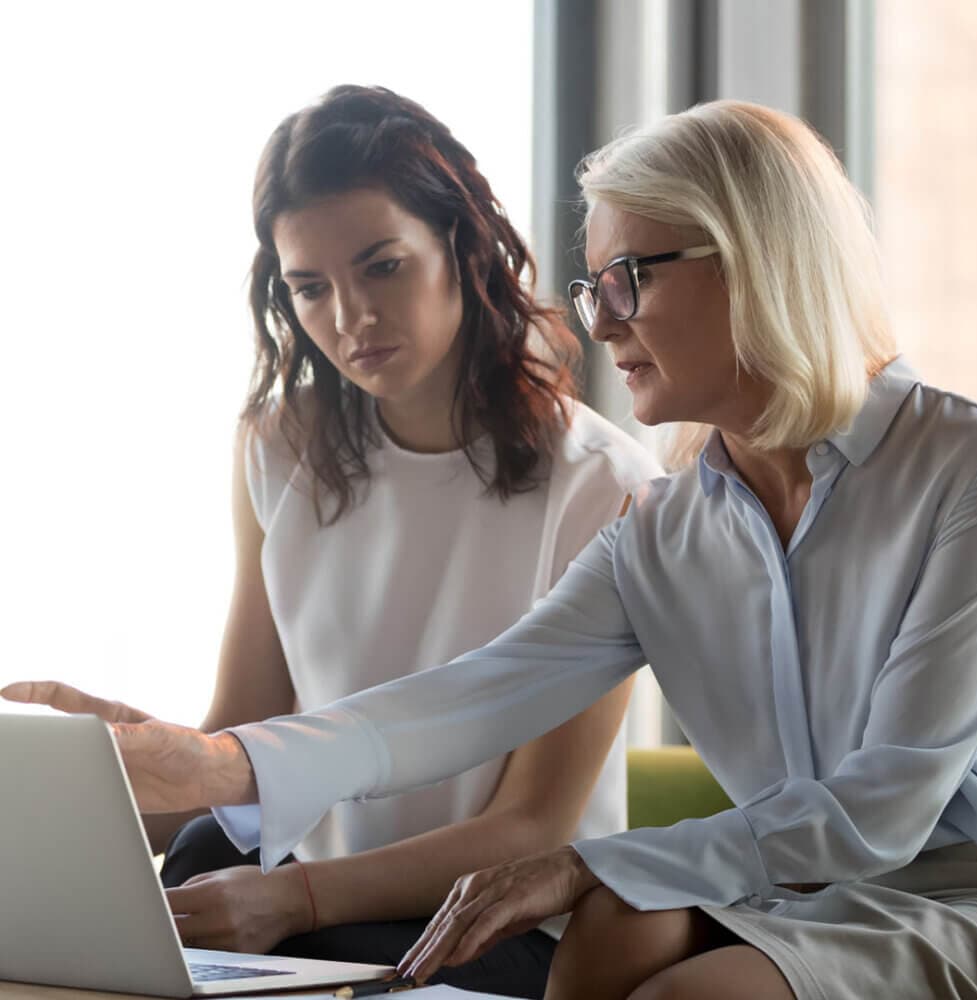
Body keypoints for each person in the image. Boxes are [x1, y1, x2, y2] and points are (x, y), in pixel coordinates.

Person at [11, 97, 977, 1000]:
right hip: (784, 882)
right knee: (616, 927)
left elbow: (883, 809)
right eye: (591, 284)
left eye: (627, 280)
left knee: (657, 963)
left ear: (757, 258)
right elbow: (463, 699)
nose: (600, 318)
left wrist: (581, 861)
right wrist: (208, 760)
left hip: (960, 886)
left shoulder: (970, 467)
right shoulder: (663, 530)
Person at [1, 85, 662, 999]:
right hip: (300, 905)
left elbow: (535, 827)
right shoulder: (281, 445)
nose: (350, 317)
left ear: (463, 249)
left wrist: (297, 899)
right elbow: (243, 742)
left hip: (488, 926)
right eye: (309, 287)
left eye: (382, 267)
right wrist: (101, 780)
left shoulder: (608, 486)